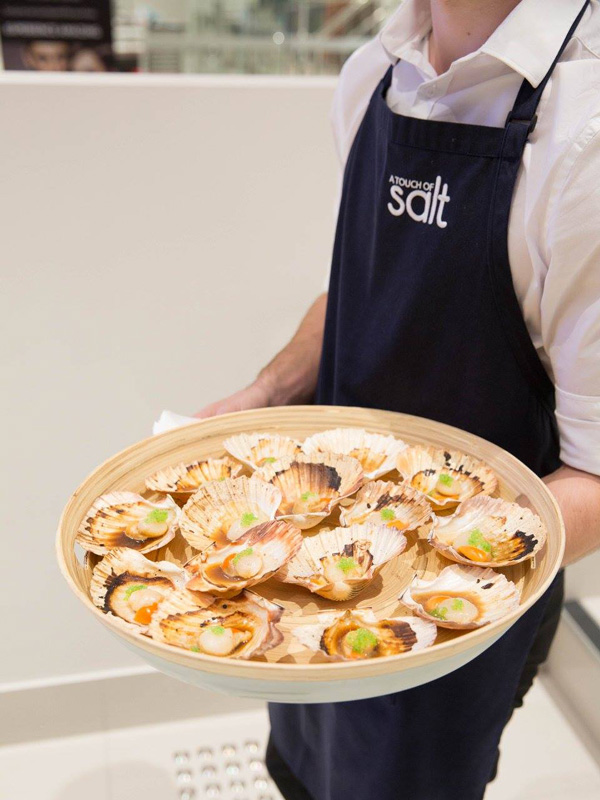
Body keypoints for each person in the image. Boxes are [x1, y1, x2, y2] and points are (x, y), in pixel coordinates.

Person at [195, 1, 600, 797]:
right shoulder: (373, 73)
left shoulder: (583, 132)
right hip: (317, 564)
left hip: (449, 612)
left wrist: (407, 574)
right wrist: (266, 393)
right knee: (307, 764)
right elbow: (361, 285)